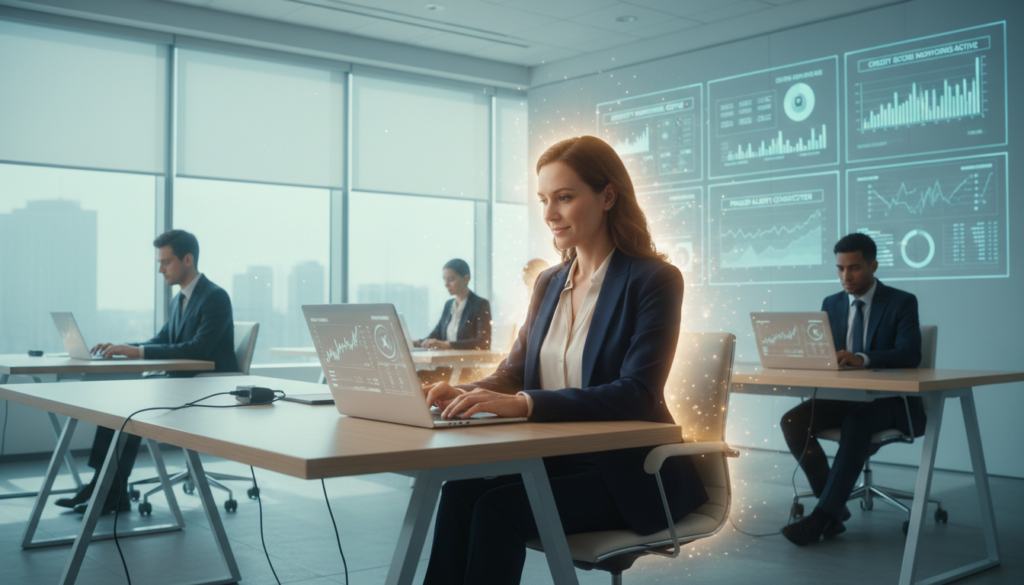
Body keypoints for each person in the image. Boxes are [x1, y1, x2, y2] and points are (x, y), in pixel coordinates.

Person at [420, 136, 707, 585]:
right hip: (553, 461)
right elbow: (515, 372)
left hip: (627, 475)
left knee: (497, 509)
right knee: (458, 492)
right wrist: (465, 393)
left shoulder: (654, 279)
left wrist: (525, 403)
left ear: (607, 196)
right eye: (544, 200)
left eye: (564, 198)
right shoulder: (548, 282)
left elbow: (637, 393)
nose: (550, 214)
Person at [55, 229, 237, 515]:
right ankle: (104, 486)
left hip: (207, 389)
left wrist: (137, 352)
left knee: (129, 405)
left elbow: (199, 348)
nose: (160, 269)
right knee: (117, 404)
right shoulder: (180, 300)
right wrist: (122, 347)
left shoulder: (215, 297)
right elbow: (163, 340)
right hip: (181, 383)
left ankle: (109, 491)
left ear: (187, 259)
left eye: (165, 262)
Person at [780, 232, 924, 545]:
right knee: (792, 421)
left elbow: (910, 354)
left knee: (856, 422)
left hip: (892, 402)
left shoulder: (901, 302)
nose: (846, 276)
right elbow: (824, 352)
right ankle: (834, 508)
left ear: (873, 265)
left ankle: (822, 517)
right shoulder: (831, 303)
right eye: (840, 268)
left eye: (854, 268)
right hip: (846, 398)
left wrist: (863, 359)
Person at [416, 258, 492, 351]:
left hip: (469, 359)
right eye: (444, 280)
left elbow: (483, 341)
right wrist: (413, 343)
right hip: (448, 359)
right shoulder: (448, 305)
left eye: (451, 279)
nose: (446, 284)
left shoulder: (481, 304)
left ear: (466, 279)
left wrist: (447, 345)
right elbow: (435, 335)